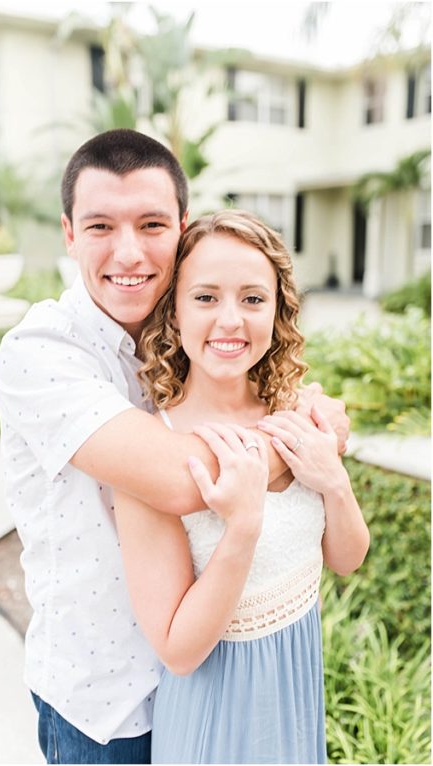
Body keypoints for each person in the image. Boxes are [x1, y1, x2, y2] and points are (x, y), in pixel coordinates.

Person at [0, 129, 350, 764]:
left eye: (152, 224)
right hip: (108, 708)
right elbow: (183, 481)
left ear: (181, 229)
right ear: (69, 233)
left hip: (226, 685)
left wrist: (304, 423)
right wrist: (306, 439)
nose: (128, 251)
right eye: (101, 226)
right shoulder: (41, 351)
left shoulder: (193, 340)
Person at [116, 210, 369, 763]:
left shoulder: (296, 414)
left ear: (277, 311)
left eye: (253, 299)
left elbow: (346, 558)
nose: (231, 320)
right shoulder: (150, 452)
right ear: (174, 312)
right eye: (206, 298)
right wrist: (243, 526)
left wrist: (334, 481)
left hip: (296, 695)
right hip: (216, 720)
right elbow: (178, 651)